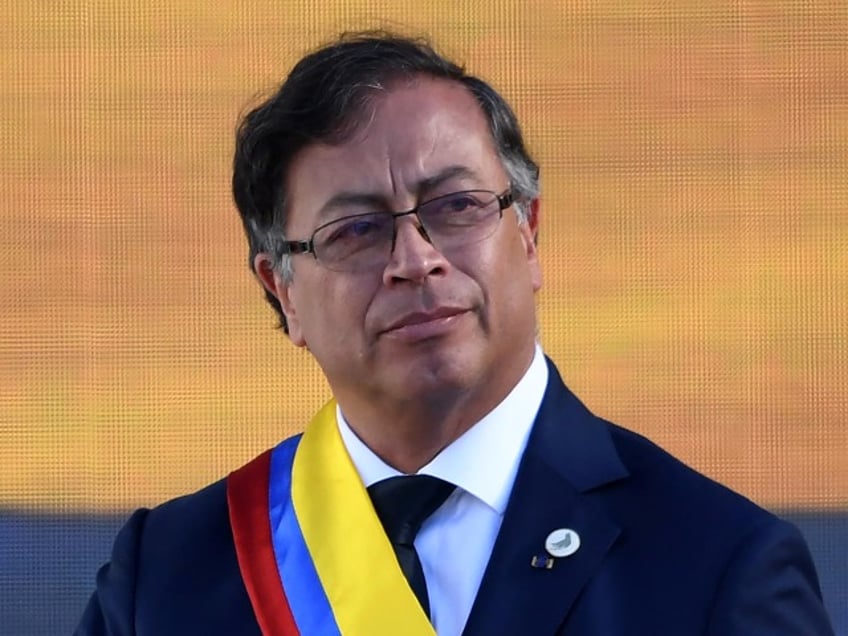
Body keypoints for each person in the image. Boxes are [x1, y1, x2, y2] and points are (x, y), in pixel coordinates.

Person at [76, 31, 834, 635]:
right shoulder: (168, 577)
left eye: (459, 206)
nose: (416, 260)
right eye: (356, 231)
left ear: (529, 235)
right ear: (284, 292)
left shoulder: (716, 564)